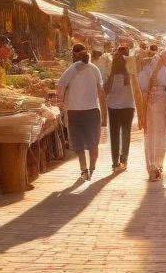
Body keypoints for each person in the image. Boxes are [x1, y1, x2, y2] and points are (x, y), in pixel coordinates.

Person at [57, 44, 106, 180]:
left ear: (74, 54)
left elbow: (60, 85)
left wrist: (60, 101)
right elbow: (100, 91)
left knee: (78, 144)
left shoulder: (72, 68)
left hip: (74, 111)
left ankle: (84, 170)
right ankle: (92, 169)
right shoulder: (94, 69)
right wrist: (104, 113)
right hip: (92, 111)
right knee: (93, 144)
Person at [139, 46, 166, 181]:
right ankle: (158, 165)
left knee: (149, 136)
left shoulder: (145, 71)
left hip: (148, 106)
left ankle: (152, 167)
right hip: (160, 105)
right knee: (160, 135)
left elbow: (142, 89)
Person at [105, 46, 136, 172]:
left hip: (113, 107)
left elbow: (107, 90)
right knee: (126, 133)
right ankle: (124, 159)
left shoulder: (113, 76)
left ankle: (115, 162)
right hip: (128, 105)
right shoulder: (130, 74)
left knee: (114, 134)